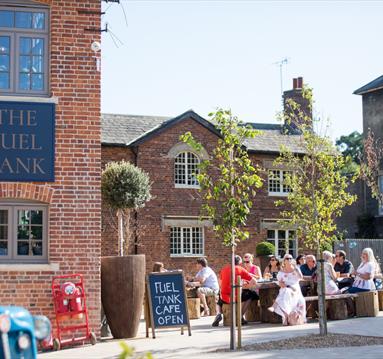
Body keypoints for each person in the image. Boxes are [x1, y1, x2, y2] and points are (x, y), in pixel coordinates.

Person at [212, 255, 257, 327]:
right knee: (251, 294)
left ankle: (218, 313)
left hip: (224, 296)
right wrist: (245, 285)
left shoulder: (224, 269)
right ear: (239, 262)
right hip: (236, 297)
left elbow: (220, 283)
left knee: (219, 300)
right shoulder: (241, 269)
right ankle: (240, 316)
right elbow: (254, 281)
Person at [268, 254, 306, 326]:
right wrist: (281, 284)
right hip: (285, 288)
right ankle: (285, 315)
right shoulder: (281, 271)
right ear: (284, 261)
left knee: (285, 293)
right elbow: (279, 282)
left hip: (295, 288)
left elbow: (301, 277)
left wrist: (296, 269)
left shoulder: (296, 269)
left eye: (290, 258)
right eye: (287, 258)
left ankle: (275, 307)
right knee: (285, 292)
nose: (289, 260)